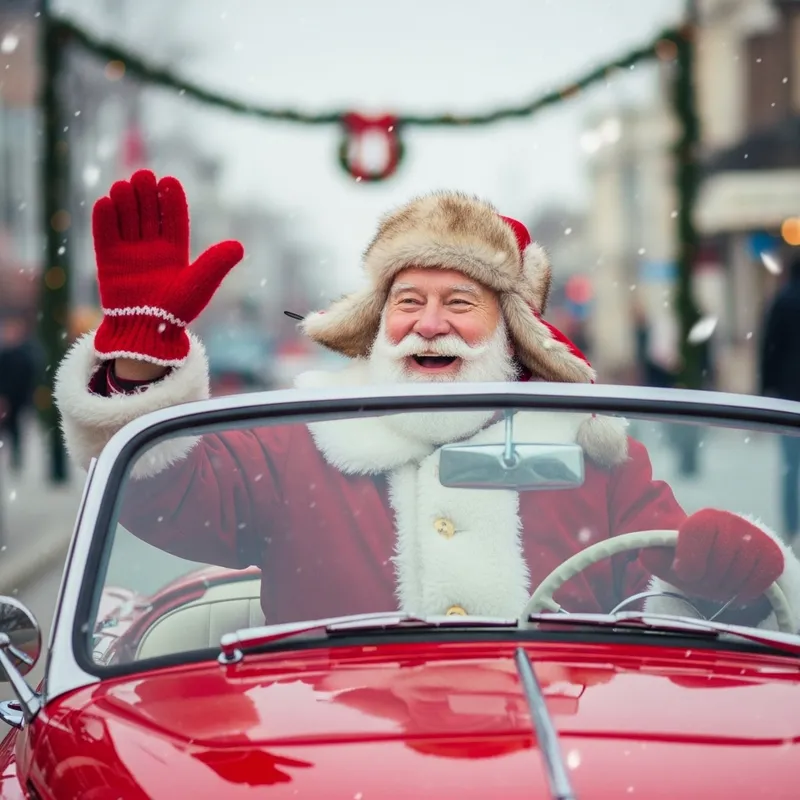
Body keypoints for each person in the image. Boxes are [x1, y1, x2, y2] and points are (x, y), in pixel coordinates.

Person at [54, 170, 800, 631]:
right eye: (408, 300)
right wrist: (136, 356)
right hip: (331, 753)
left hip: (564, 753)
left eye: (459, 300)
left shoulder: (591, 452)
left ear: (507, 328)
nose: (430, 322)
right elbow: (161, 493)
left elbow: (665, 586)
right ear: (380, 324)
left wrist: (723, 572)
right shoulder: (297, 443)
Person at [760, 252, 800, 543]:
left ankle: (792, 528)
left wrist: (766, 389)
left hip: (788, 396)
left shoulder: (783, 300)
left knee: (791, 467)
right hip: (789, 390)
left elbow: (769, 348)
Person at [0, 315, 39, 472]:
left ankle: (16, 460)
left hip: (18, 400)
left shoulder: (25, 355)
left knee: (16, 431)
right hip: (6, 398)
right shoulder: (5, 355)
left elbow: (29, 378)